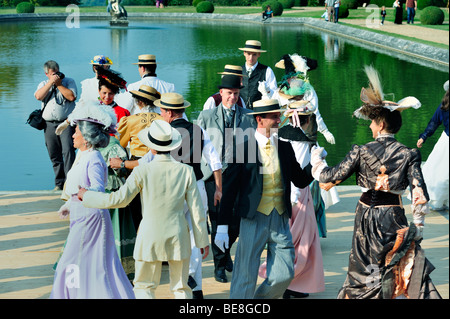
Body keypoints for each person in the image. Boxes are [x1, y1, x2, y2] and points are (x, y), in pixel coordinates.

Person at [311, 65, 442, 299]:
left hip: (366, 217)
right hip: (392, 215)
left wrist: (317, 161)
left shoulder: (360, 151)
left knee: (365, 272)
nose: (370, 125)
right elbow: (419, 195)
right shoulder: (409, 153)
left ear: (381, 124)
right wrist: (419, 227)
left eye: (373, 121)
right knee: (407, 265)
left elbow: (330, 177)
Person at [78, 120, 210, 299]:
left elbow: (118, 200)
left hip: (149, 236)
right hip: (178, 236)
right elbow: (197, 211)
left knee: (144, 287)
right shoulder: (186, 171)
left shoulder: (143, 171)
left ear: (152, 148)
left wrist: (87, 196)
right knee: (181, 288)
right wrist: (202, 241)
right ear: (171, 146)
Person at [216, 99, 314, 299]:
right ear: (259, 119)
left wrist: (315, 164)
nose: (280, 119)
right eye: (275, 116)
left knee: (284, 274)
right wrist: (222, 226)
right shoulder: (243, 148)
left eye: (279, 115)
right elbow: (229, 190)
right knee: (244, 275)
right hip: (253, 219)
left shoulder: (285, 148)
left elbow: (301, 181)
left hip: (280, 218)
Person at [50, 101, 135, 299]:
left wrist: (81, 196)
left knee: (74, 263)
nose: (72, 135)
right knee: (79, 264)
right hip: (82, 216)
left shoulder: (94, 159)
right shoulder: (85, 155)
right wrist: (69, 204)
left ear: (86, 138)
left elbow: (97, 189)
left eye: (76, 132)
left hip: (91, 219)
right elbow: (80, 190)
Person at [157, 92, 222, 299]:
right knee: (196, 237)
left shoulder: (163, 132)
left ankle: (185, 282)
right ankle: (196, 287)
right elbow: (215, 161)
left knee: (171, 236)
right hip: (197, 185)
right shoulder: (198, 129)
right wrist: (219, 189)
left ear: (168, 112)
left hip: (172, 189)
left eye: (161, 111)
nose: (160, 114)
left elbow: (154, 165)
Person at [259, 100, 325, 299]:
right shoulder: (302, 140)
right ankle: (292, 283)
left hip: (282, 193)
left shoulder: (279, 136)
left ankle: (287, 283)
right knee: (302, 241)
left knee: (289, 242)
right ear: (305, 121)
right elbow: (299, 173)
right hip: (298, 195)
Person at [196, 75, 257, 284]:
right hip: (214, 176)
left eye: (236, 94)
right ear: (220, 93)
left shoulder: (248, 116)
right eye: (229, 93)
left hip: (239, 175)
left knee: (237, 223)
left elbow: (252, 150)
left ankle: (227, 249)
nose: (233, 97)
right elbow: (197, 149)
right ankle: (219, 266)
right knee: (216, 220)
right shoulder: (205, 116)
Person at [34, 60, 77, 191]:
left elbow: (71, 97)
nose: (56, 76)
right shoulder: (43, 84)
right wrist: (50, 83)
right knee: (54, 153)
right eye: (53, 74)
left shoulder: (69, 82)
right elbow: (38, 96)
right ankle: (59, 183)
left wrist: (58, 85)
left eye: (57, 73)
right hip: (49, 125)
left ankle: (70, 183)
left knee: (68, 150)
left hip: (66, 123)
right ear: (46, 74)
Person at [416, 83, 449, 211]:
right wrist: (423, 136)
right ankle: (438, 201)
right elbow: (434, 122)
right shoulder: (444, 107)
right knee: (439, 171)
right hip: (446, 142)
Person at [117, 85, 163, 159]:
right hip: (158, 160)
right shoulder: (163, 119)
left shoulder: (130, 120)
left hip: (136, 161)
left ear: (140, 102)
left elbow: (120, 143)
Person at [239, 40, 277, 109]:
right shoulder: (238, 70)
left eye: (254, 54)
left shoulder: (267, 70)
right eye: (248, 54)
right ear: (244, 53)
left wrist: (267, 90)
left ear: (259, 54)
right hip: (241, 111)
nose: (251, 58)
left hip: (259, 111)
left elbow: (274, 94)